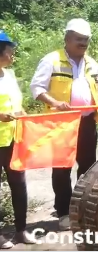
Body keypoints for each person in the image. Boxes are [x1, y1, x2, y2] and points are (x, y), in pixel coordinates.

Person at [29, 18, 98, 230]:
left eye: (86, 40)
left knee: (87, 168)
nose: (83, 44)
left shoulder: (91, 63)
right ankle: (63, 212)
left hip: (87, 122)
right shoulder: (51, 60)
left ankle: (82, 208)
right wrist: (54, 102)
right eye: (79, 40)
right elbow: (36, 88)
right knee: (62, 168)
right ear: (67, 39)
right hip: (61, 123)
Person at [0, 31, 37, 248]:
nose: (12, 56)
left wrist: (24, 114)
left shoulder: (10, 75)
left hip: (14, 137)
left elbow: (16, 103)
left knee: (19, 184)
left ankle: (21, 230)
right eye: (9, 52)